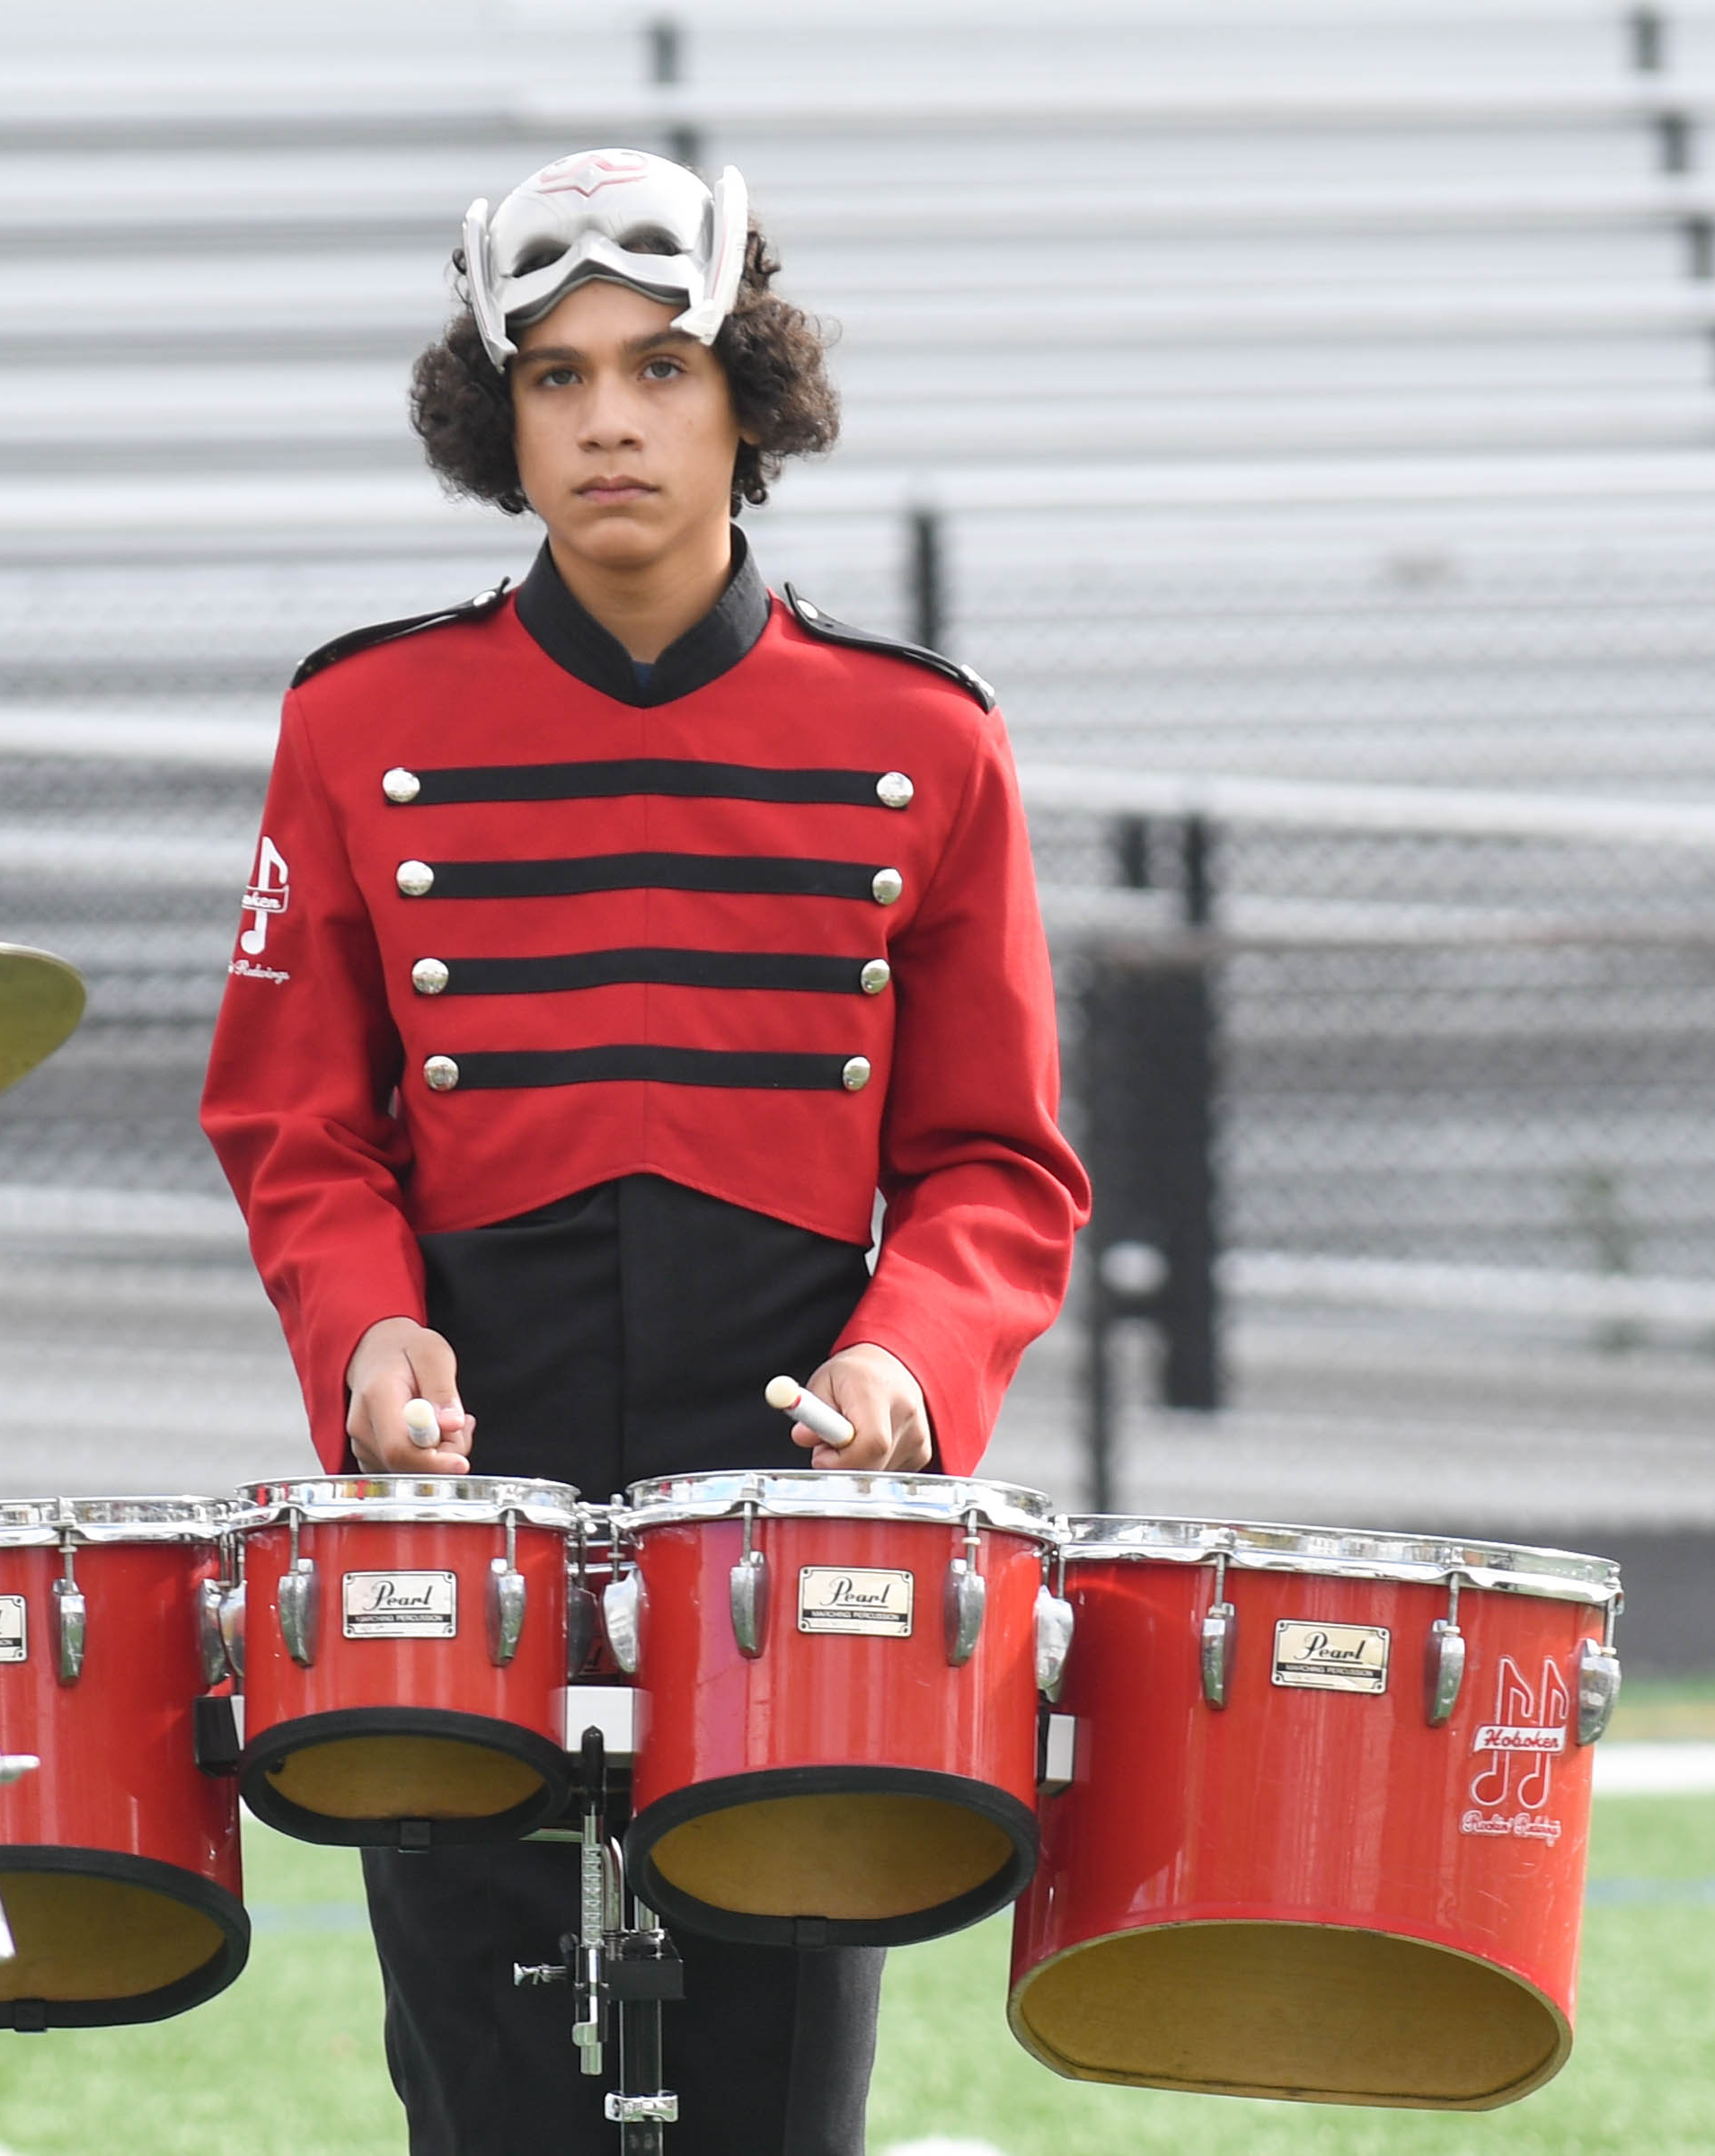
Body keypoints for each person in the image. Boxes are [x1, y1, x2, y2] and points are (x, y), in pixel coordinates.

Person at [201, 146, 1089, 2156]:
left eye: (665, 366)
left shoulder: (924, 736)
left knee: (778, 2116)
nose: (608, 418)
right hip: (458, 1490)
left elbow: (996, 1164)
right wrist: (363, 1336)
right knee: (488, 2106)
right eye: (556, 374)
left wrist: (909, 1370)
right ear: (495, 416)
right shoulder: (360, 719)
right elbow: (293, 1115)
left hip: (798, 1508)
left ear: (747, 400)